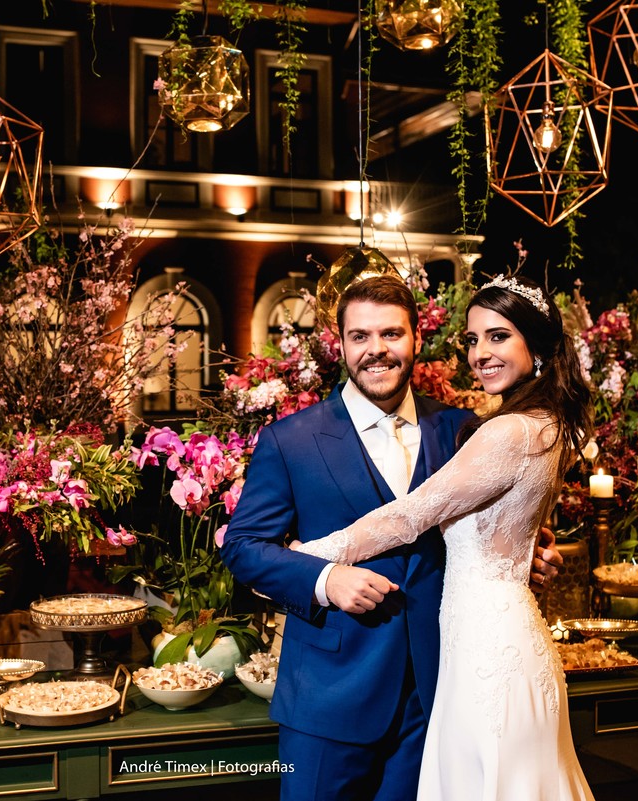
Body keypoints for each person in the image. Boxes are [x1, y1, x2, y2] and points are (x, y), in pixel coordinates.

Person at [221, 275, 563, 801]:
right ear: (340, 344)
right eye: (360, 336)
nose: (376, 350)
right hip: (329, 696)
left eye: (391, 334)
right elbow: (243, 547)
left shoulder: (462, 428)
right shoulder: (290, 440)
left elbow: (493, 516)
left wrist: (530, 552)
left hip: (441, 692)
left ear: (416, 339)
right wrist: (326, 579)